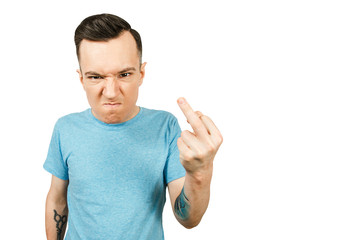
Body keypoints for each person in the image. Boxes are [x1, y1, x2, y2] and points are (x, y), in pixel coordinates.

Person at [44, 13, 223, 240]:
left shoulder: (164, 126)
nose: (110, 92)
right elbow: (57, 199)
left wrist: (200, 173)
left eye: (124, 74)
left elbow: (188, 219)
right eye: (96, 77)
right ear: (81, 79)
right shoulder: (65, 128)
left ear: (141, 73)